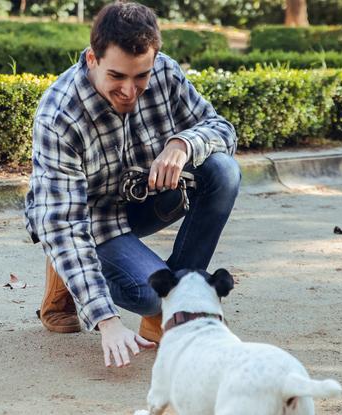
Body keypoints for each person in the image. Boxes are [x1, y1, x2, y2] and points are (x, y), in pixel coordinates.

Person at [24, 1, 240, 369]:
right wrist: (107, 321)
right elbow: (63, 223)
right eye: (117, 77)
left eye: (141, 76)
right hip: (88, 219)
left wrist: (182, 144)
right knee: (146, 294)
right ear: (92, 59)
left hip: (146, 196)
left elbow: (222, 129)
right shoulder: (59, 115)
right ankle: (70, 271)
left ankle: (176, 300)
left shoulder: (165, 72)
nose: (130, 90)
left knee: (223, 171)